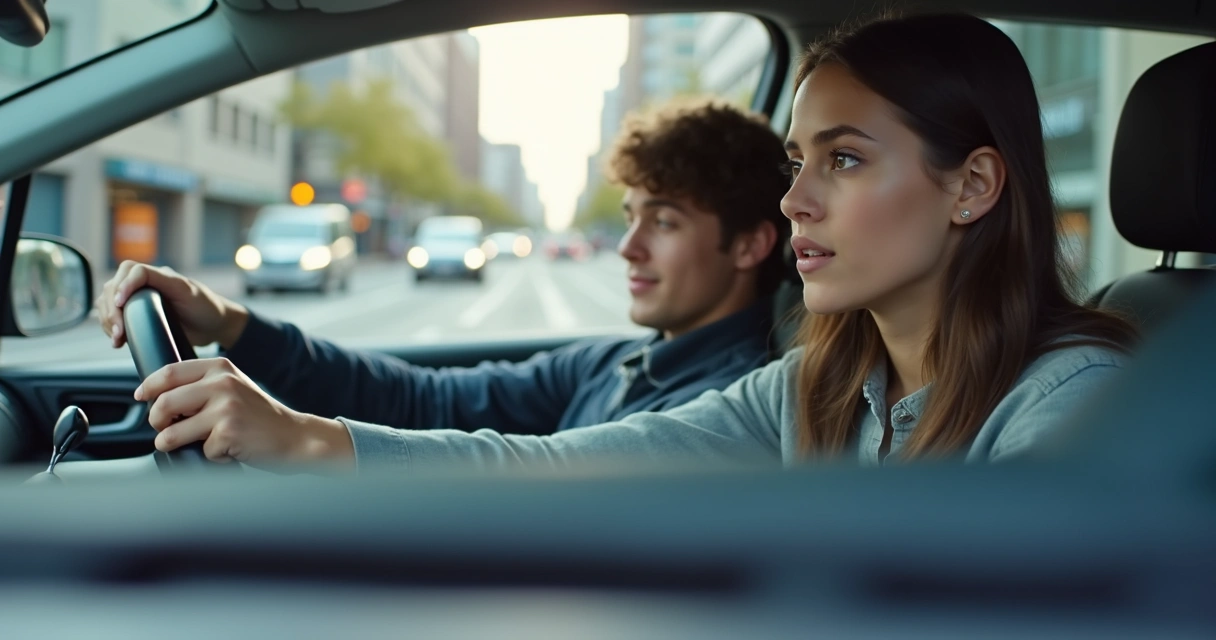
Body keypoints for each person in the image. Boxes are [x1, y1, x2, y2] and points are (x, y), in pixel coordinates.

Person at [102, 13, 1139, 470]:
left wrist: (304, 438)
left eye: (847, 160)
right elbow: (536, 464)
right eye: (796, 164)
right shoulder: (815, 389)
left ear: (971, 187)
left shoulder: (1071, 406)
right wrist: (289, 416)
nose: (796, 206)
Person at [96, 99, 792, 457]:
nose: (628, 248)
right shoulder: (617, 364)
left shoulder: (732, 406)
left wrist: (299, 437)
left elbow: (531, 478)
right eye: (632, 217)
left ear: (751, 244)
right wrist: (232, 324)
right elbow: (424, 398)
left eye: (664, 223)